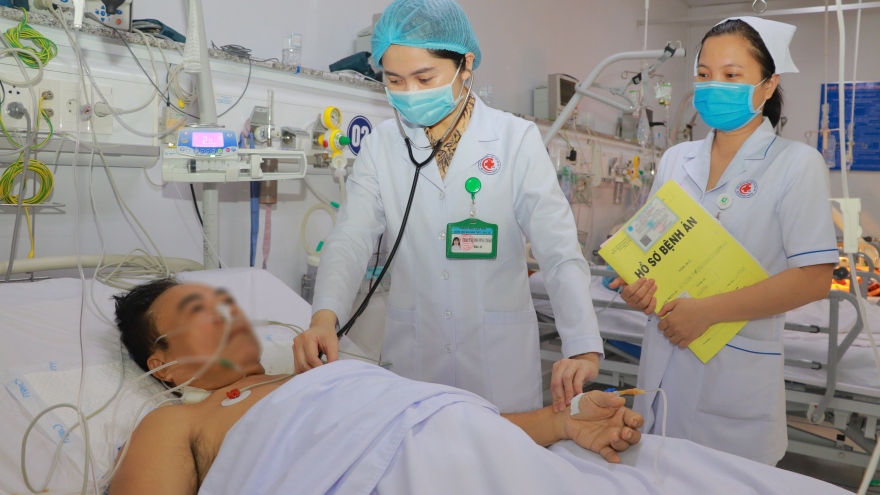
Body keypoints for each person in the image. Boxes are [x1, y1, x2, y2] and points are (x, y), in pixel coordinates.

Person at [295, 0, 602, 414]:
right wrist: (323, 318)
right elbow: (351, 238)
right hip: (415, 357)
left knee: (499, 451)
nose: (410, 93)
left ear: (466, 64)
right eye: (394, 80)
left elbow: (559, 249)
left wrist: (582, 345)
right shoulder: (382, 145)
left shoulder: (515, 139)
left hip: (498, 362)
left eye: (425, 78)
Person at [107, 279, 642, 494]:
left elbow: (432, 423)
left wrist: (561, 422)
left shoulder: (312, 377)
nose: (226, 317)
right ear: (164, 365)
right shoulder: (176, 422)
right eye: (198, 315)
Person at [610, 17, 837, 465]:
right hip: (661, 365)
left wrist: (707, 312)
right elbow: (648, 252)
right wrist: (638, 290)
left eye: (732, 75)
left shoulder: (797, 164)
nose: (715, 86)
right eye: (704, 74)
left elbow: (814, 279)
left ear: (768, 85)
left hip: (734, 379)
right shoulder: (676, 160)